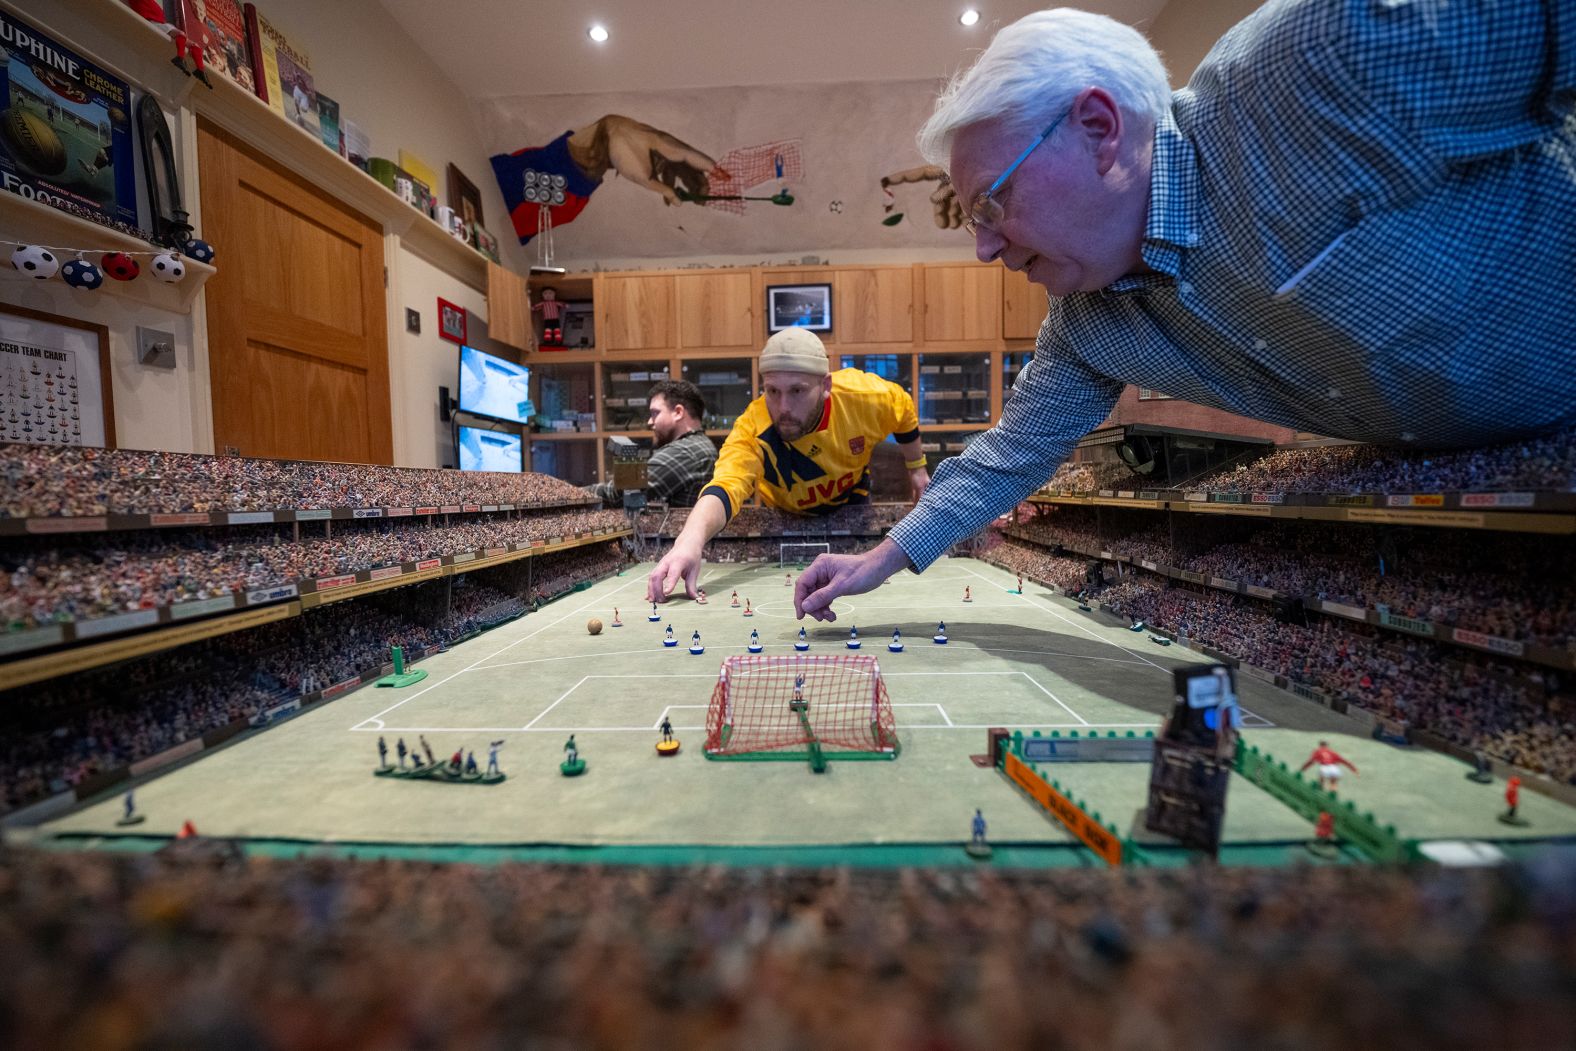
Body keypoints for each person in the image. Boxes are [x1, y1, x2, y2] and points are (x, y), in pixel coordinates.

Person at [793, 2, 1576, 623]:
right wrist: (883, 558)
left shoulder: (1323, 59)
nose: (985, 250)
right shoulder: (1086, 329)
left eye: (992, 203)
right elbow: (1009, 456)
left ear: (1099, 129)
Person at [649, 329, 928, 601]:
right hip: (782, 516)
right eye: (772, 391)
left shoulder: (865, 397)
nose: (783, 408)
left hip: (852, 502)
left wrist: (916, 469)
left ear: (826, 386)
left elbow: (903, 409)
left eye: (797, 390)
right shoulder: (752, 427)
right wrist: (689, 541)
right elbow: (725, 486)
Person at [587, 381, 718, 508]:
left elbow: (623, 493)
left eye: (655, 413)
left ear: (678, 412)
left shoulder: (685, 451)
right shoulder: (701, 444)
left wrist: (572, 493)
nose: (650, 421)